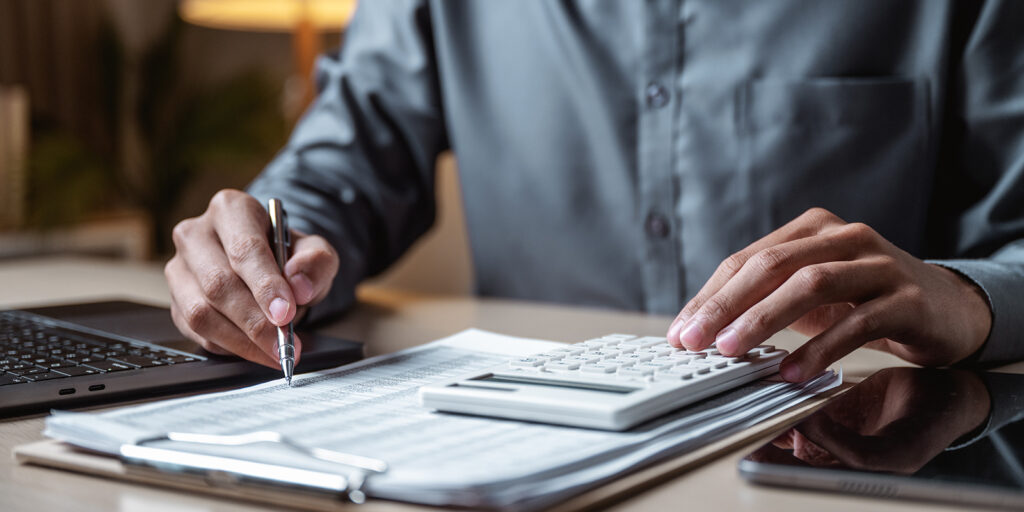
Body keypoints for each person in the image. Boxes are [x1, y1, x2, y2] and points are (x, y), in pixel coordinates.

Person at [165, 1, 1024, 380]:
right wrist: (263, 258)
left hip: (845, 457)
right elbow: (336, 176)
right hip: (507, 457)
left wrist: (971, 302)